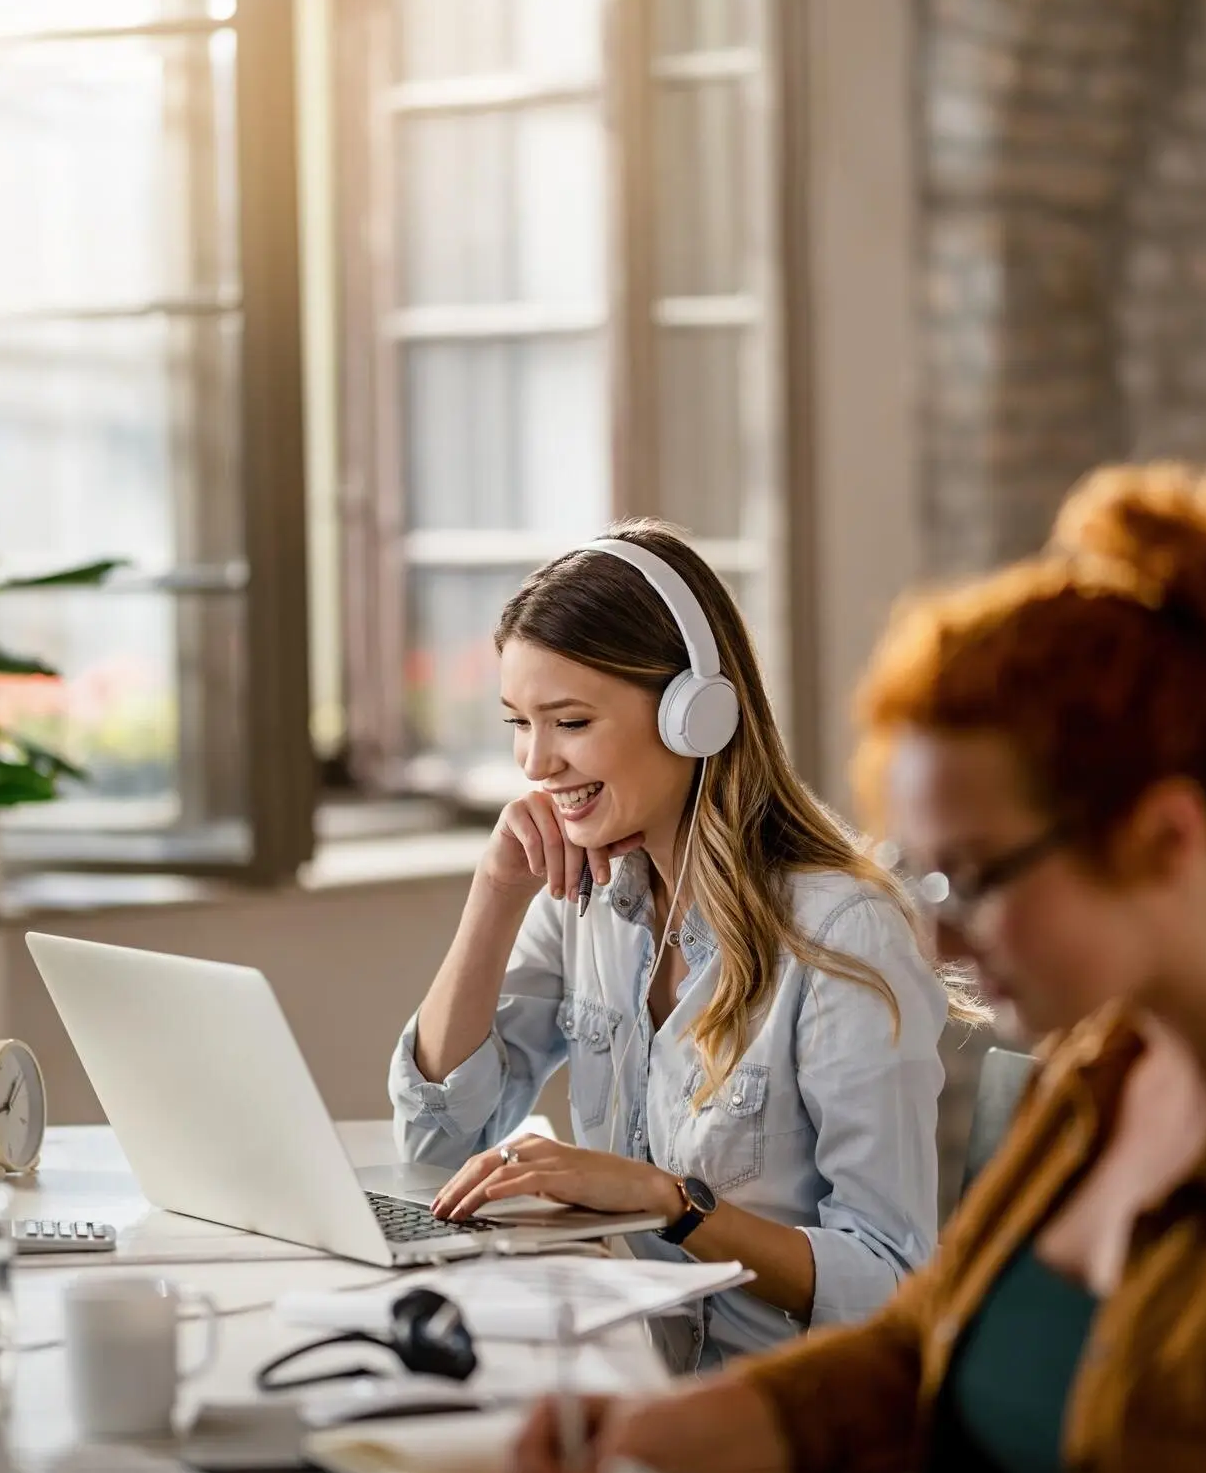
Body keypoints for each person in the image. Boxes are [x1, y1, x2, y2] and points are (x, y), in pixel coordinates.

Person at [508, 464, 1206, 1473]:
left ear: (1166, 839)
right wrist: (654, 1432)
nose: (941, 940)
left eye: (975, 876)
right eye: (925, 876)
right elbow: (923, 1343)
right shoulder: (1104, 1080)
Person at [389, 520, 949, 1370]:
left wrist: (670, 1203)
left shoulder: (843, 934)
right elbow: (436, 1144)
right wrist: (495, 894)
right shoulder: (585, 900)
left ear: (696, 714)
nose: (536, 762)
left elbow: (892, 1281)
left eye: (569, 721)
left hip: (769, 1429)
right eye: (518, 722)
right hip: (620, 1381)